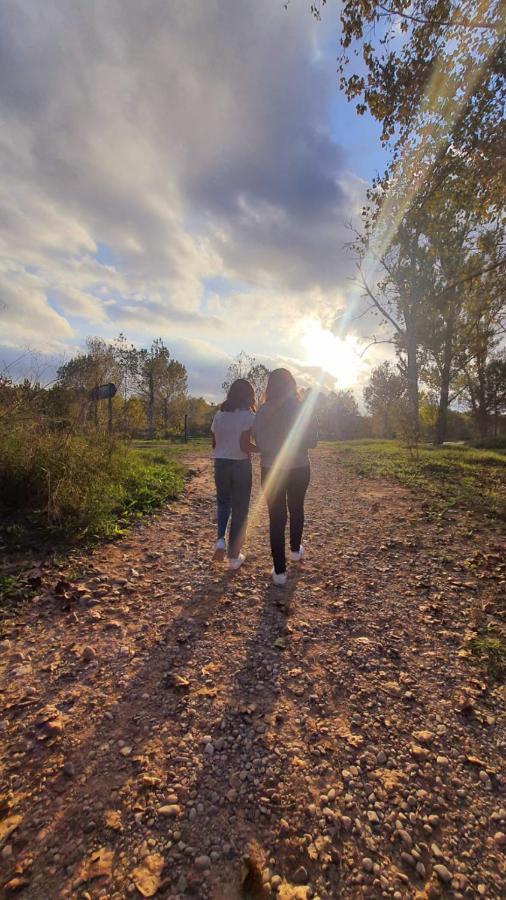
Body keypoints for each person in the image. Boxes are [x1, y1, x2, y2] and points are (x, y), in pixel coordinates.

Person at [253, 368, 317, 586]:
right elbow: (313, 441)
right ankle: (295, 551)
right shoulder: (302, 409)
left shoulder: (261, 412)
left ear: (270, 386)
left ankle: (279, 571)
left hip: (271, 468)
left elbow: (260, 444)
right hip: (299, 467)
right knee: (297, 508)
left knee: (276, 517)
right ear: (293, 385)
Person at [211, 378, 257, 570]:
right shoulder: (249, 416)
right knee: (240, 510)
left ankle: (220, 539)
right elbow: (244, 445)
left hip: (220, 463)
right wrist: (261, 448)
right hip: (240, 465)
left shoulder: (219, 415)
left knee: (223, 504)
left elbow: (214, 443)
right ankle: (234, 556)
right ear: (249, 396)